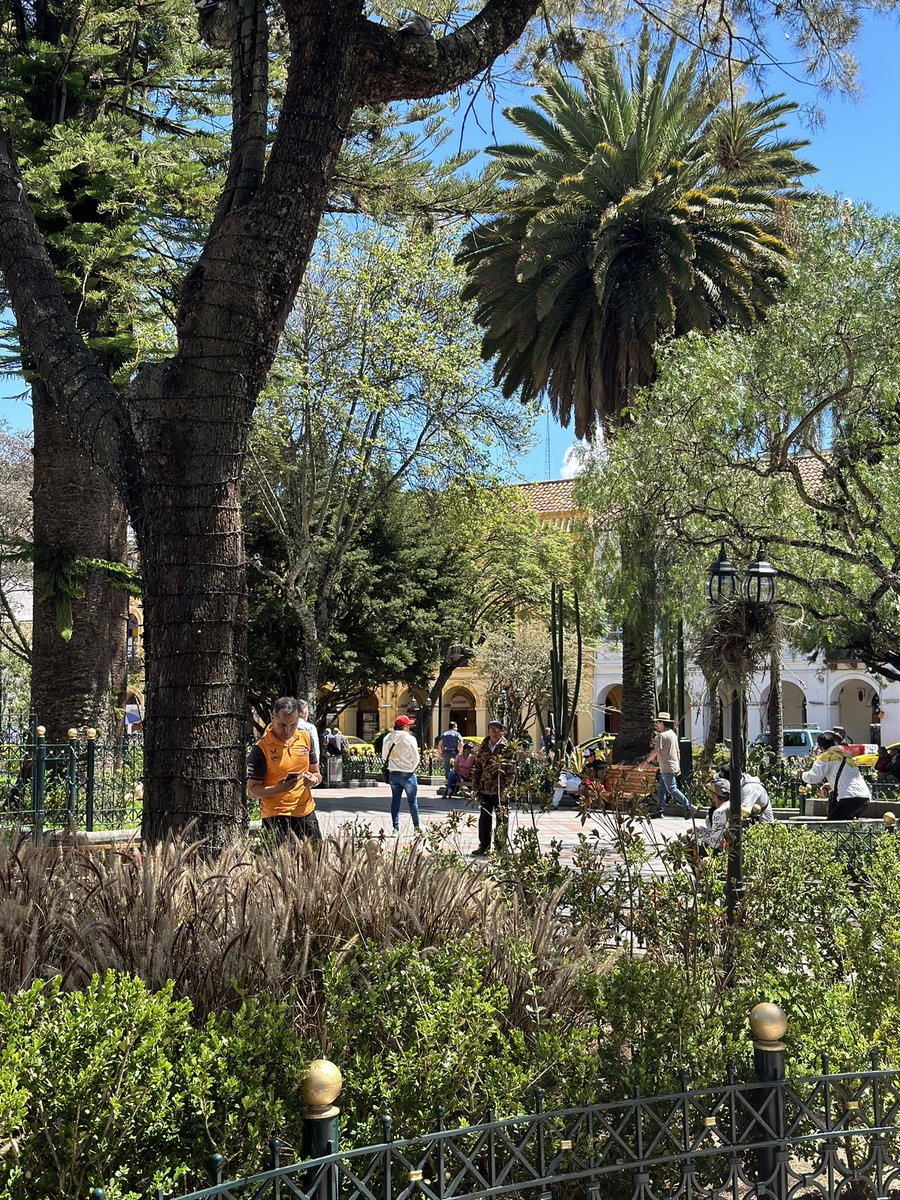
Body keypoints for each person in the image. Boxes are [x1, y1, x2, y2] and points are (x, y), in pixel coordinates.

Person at [247, 696, 322, 842]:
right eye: (282, 725)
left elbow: (316, 773)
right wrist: (278, 789)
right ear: (272, 717)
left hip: (305, 812)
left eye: (293, 724)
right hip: (275, 816)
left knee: (315, 861)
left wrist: (313, 780)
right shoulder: (261, 748)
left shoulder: (306, 738)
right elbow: (252, 791)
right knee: (278, 863)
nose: (288, 730)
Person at [470, 719, 516, 856]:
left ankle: (501, 847)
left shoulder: (507, 748)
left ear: (502, 731)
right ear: (488, 731)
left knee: (502, 819)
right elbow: (477, 768)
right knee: (484, 818)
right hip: (485, 788)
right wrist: (475, 787)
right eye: (491, 730)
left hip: (500, 789)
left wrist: (507, 790)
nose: (494, 733)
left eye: (497, 730)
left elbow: (511, 771)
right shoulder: (484, 746)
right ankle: (484, 846)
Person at [801, 731, 871, 820]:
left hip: (849, 798)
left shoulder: (826, 756)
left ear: (821, 746)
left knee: (831, 827)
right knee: (848, 829)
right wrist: (831, 785)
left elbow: (813, 777)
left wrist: (802, 775)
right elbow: (846, 776)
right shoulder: (845, 756)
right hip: (864, 798)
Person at [645, 711, 694, 819]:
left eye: (657, 722)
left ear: (662, 723)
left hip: (666, 767)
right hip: (671, 766)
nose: (656, 724)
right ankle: (659, 810)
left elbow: (656, 750)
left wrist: (646, 761)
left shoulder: (661, 736)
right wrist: (678, 766)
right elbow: (677, 751)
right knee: (661, 788)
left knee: (672, 789)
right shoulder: (673, 734)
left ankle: (688, 806)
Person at [381, 715, 421, 835]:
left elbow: (384, 756)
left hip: (393, 773)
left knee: (395, 801)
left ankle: (395, 828)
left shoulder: (388, 738)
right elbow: (416, 758)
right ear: (404, 727)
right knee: (412, 802)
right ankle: (416, 828)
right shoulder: (410, 739)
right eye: (408, 725)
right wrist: (411, 768)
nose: (409, 727)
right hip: (408, 774)